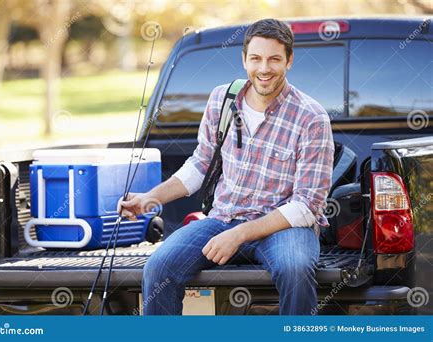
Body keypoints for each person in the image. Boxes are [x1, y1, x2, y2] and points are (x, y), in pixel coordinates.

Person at [118, 18, 335, 315]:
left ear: (290, 60)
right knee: (159, 267)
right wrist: (150, 199)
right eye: (256, 58)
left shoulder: (311, 117)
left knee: (295, 270)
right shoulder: (222, 99)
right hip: (222, 219)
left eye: (274, 59)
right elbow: (201, 164)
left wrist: (240, 234)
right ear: (244, 59)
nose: (264, 68)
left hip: (283, 228)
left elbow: (307, 205)